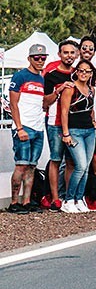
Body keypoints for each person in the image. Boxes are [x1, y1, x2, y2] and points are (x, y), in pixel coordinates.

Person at [6, 44, 49, 214]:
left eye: (43, 58)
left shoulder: (42, 79)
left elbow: (44, 102)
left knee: (32, 166)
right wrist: (19, 127)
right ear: (29, 59)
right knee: (21, 165)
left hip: (38, 128)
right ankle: (14, 202)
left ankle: (27, 201)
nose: (40, 61)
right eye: (36, 58)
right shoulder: (20, 76)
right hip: (24, 127)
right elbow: (13, 104)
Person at [43, 39, 79, 210]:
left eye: (72, 53)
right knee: (56, 159)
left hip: (73, 124)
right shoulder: (51, 75)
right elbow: (45, 102)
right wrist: (58, 90)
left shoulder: (78, 73)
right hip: (55, 123)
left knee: (71, 162)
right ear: (59, 55)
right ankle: (55, 198)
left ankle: (68, 197)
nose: (69, 56)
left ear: (77, 54)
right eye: (66, 52)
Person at [59, 59, 96, 213]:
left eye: (87, 71)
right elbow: (64, 112)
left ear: (91, 74)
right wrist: (66, 133)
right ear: (76, 71)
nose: (84, 73)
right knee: (80, 166)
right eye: (81, 70)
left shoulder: (91, 89)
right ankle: (68, 199)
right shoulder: (70, 88)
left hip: (89, 131)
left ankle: (79, 198)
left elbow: (91, 108)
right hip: (74, 131)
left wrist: (94, 121)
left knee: (86, 167)